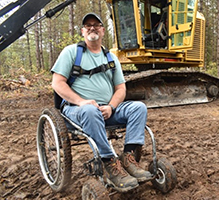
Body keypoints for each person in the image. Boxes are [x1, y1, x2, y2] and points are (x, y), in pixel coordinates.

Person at [51, 12, 153, 192]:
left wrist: (111, 107)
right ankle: (109, 162)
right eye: (88, 25)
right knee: (90, 111)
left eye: (96, 24)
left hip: (107, 109)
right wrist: (81, 101)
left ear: (103, 30)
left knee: (138, 108)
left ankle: (128, 158)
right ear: (83, 31)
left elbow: (121, 89)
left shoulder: (111, 58)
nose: (92, 27)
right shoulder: (71, 52)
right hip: (77, 110)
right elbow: (57, 83)